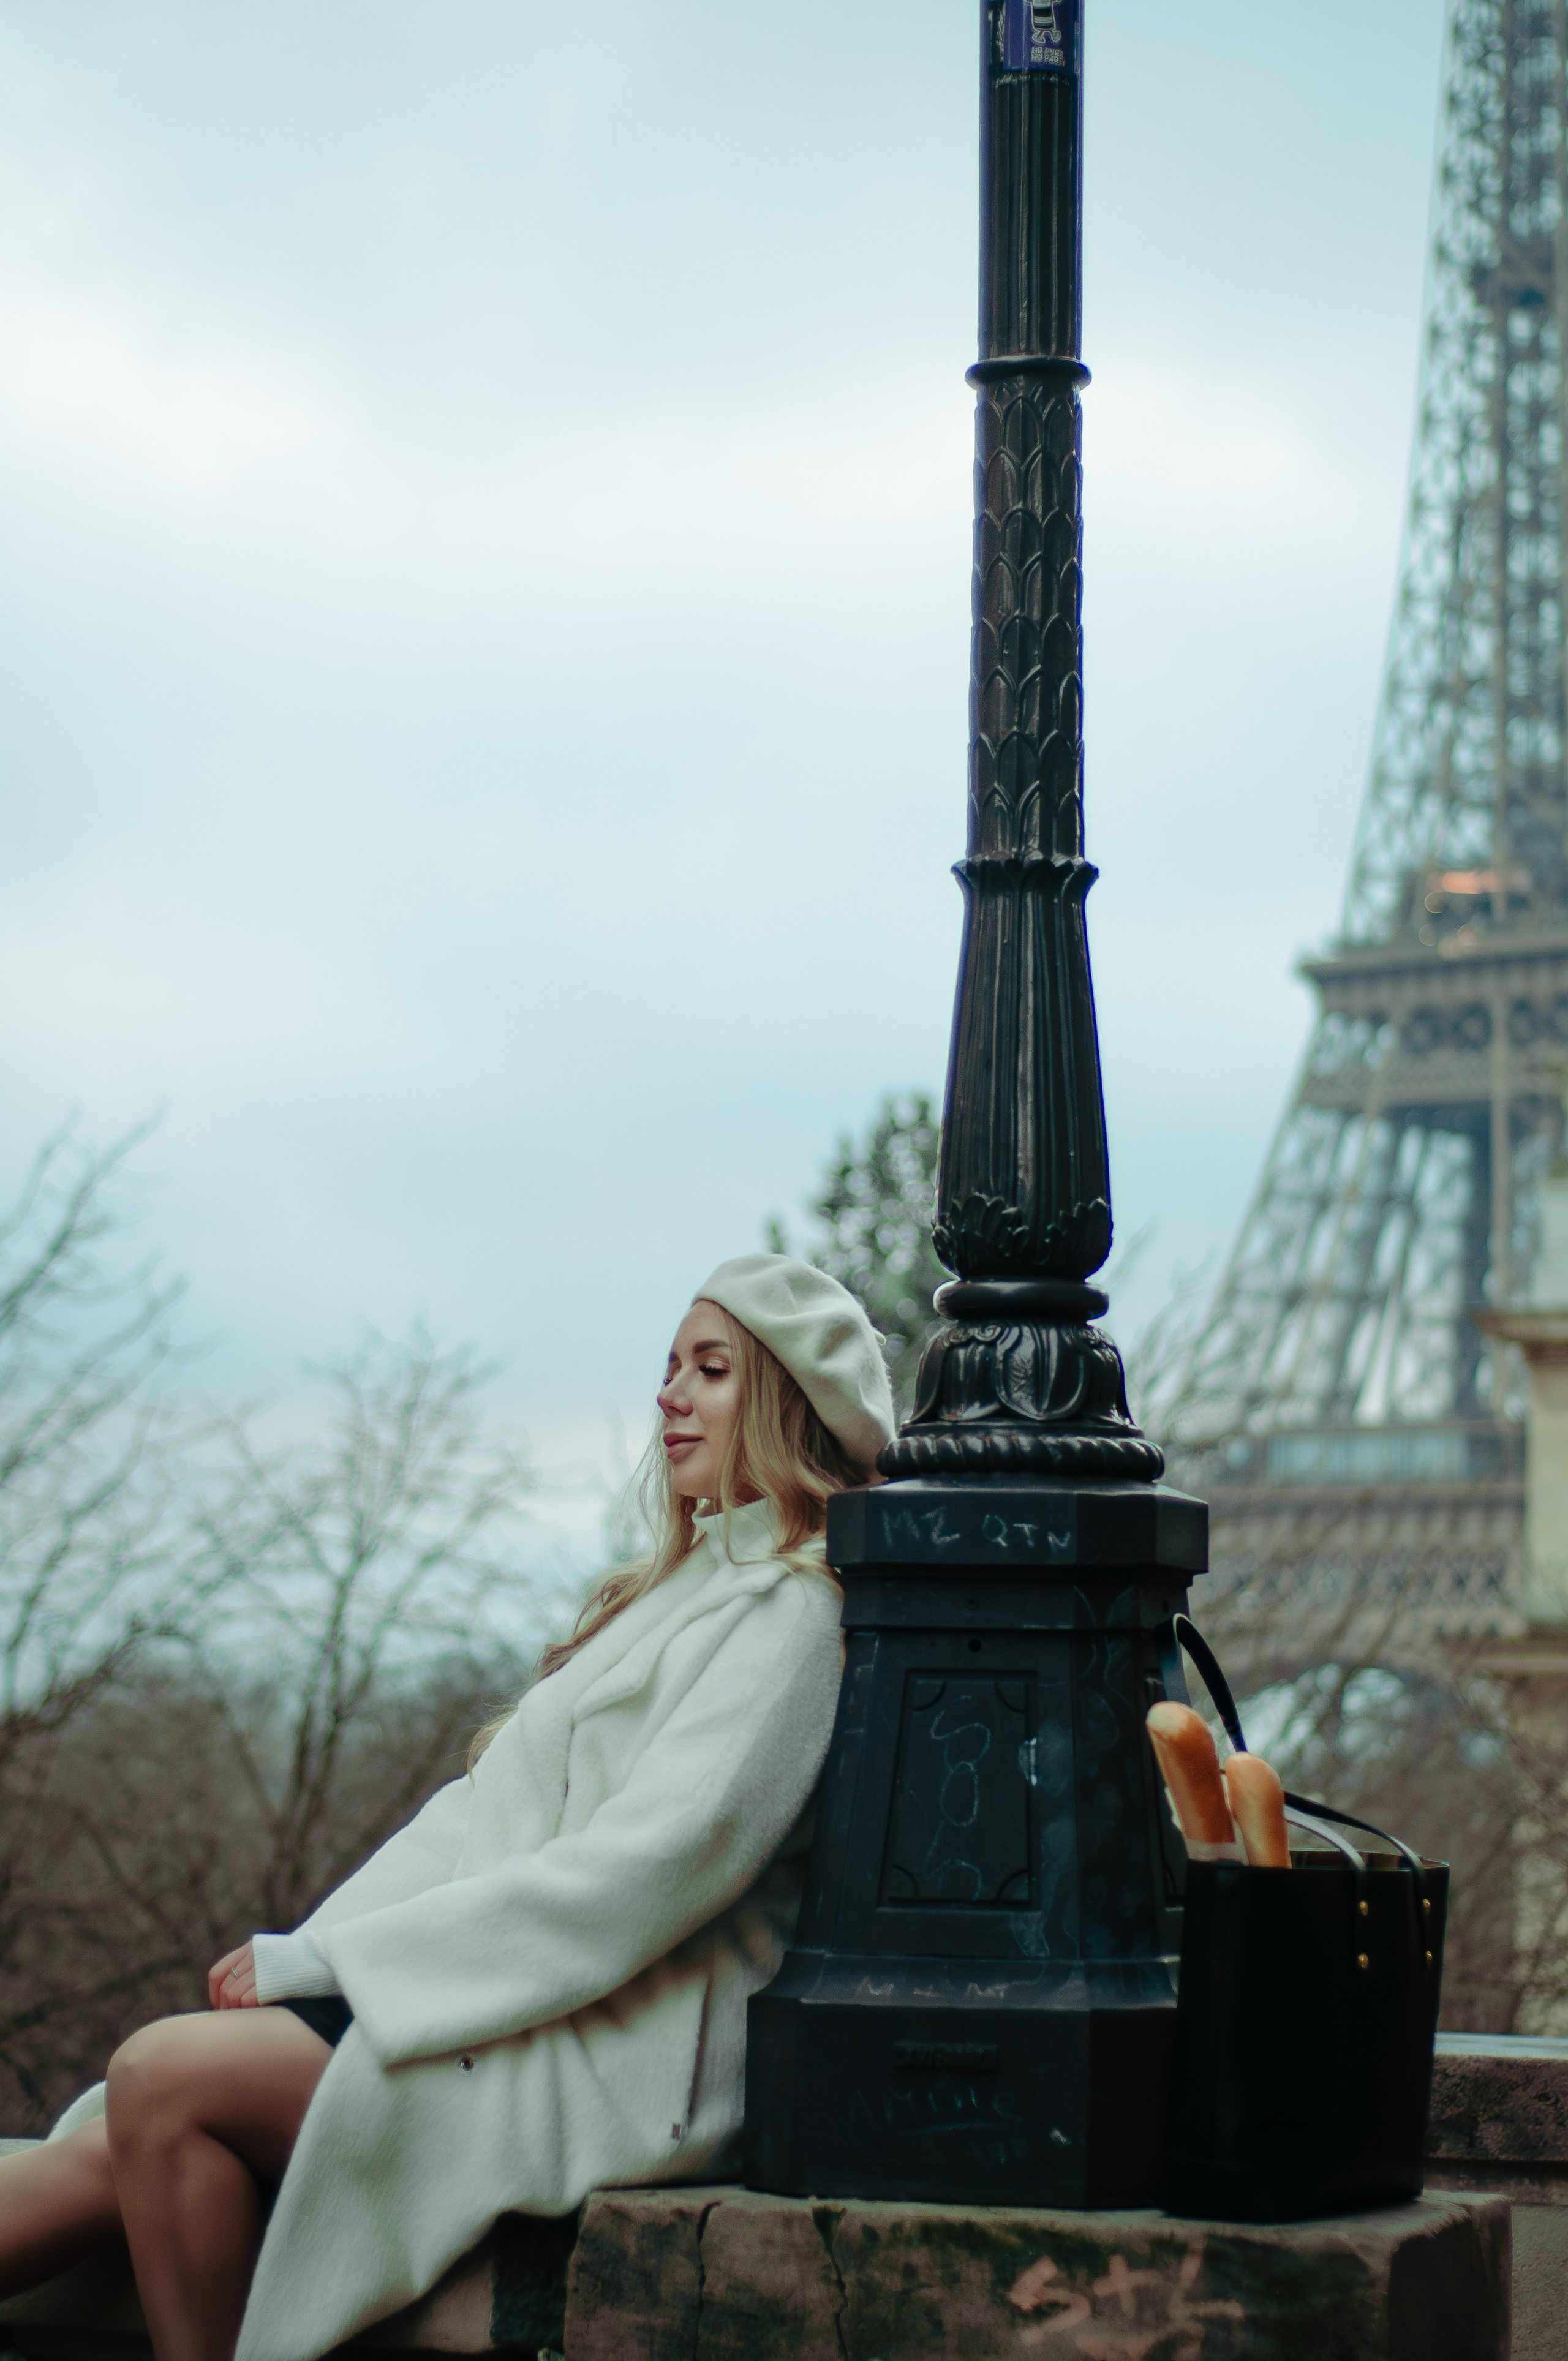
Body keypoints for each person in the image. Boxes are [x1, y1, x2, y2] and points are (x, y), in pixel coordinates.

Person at [0, 1254, 894, 2361]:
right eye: (669, 1367)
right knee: (111, 2142)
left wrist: (343, 1972)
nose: (668, 1395)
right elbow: (471, 1819)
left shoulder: (796, 1616)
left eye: (710, 1370)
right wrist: (318, 1952)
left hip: (619, 2051)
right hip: (501, 1999)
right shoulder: (672, 1591)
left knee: (158, 2080)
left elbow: (642, 1873)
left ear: (786, 1404)